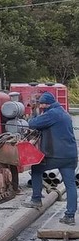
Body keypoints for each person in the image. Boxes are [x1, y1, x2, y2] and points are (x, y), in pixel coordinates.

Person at [24, 91, 78, 225]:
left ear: (45, 104)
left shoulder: (52, 114)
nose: (41, 106)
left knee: (36, 168)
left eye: (41, 104)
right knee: (70, 185)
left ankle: (36, 199)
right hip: (71, 156)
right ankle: (70, 216)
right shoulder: (63, 113)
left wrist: (35, 112)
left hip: (57, 155)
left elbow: (32, 123)